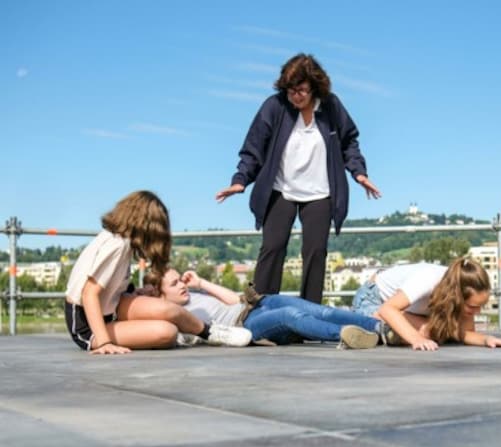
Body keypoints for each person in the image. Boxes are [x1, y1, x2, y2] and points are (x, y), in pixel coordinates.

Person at [215, 53, 380, 304]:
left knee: (315, 252)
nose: (296, 96)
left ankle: (309, 313)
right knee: (272, 247)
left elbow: (349, 143)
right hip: (281, 190)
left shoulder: (331, 107)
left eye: (301, 90)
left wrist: (359, 173)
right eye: (291, 90)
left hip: (320, 193)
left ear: (315, 87)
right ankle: (261, 310)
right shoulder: (274, 106)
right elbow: (254, 146)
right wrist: (240, 180)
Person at [64, 190, 252, 354]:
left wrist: (133, 294)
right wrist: (103, 343)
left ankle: (211, 333)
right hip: (88, 325)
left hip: (112, 308)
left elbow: (108, 288)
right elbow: (89, 293)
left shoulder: (121, 241)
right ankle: (193, 333)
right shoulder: (116, 244)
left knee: (169, 309)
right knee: (166, 332)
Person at [147, 268, 385, 349]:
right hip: (245, 325)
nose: (181, 285)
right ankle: (349, 336)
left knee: (319, 310)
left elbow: (235, 300)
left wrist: (201, 283)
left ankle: (379, 327)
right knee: (291, 316)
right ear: (159, 295)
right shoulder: (177, 317)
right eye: (174, 283)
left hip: (257, 303)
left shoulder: (193, 294)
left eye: (180, 279)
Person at [352, 257, 501, 352]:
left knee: (441, 332)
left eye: (481, 306)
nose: (477, 312)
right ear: (456, 296)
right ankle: (381, 328)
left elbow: (462, 334)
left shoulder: (462, 289)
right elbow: (387, 308)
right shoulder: (428, 280)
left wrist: (487, 339)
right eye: (472, 307)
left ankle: (390, 331)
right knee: (431, 332)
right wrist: (416, 339)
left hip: (404, 311)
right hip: (374, 300)